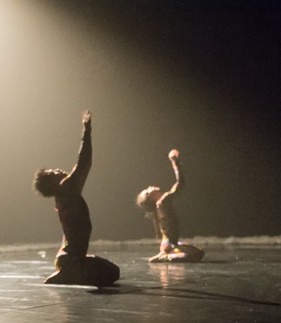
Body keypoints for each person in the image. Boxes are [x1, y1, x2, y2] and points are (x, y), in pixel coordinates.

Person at [33, 111, 120, 286]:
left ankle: (68, 271)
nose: (58, 169)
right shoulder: (66, 189)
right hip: (71, 260)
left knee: (112, 271)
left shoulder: (63, 198)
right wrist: (87, 130)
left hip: (68, 258)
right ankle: (69, 273)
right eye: (53, 172)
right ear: (53, 183)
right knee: (113, 273)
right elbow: (83, 162)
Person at [136, 149, 204, 263]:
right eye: (148, 191)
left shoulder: (160, 206)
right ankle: (166, 256)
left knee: (198, 252)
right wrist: (174, 162)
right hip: (169, 244)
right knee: (197, 254)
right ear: (151, 198)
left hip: (168, 244)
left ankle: (167, 253)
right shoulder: (163, 202)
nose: (150, 187)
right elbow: (180, 184)